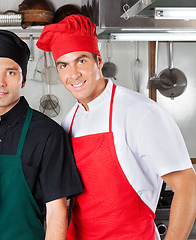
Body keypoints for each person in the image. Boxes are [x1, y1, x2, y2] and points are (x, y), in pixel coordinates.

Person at [36, 14, 196, 240]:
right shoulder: (70, 119)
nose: (73, 74)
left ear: (98, 62)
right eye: (63, 65)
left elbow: (187, 186)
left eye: (81, 61)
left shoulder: (139, 112)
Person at [0, 29, 83, 240]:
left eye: (11, 72)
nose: (0, 82)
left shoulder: (48, 134)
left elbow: (56, 214)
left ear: (23, 80)